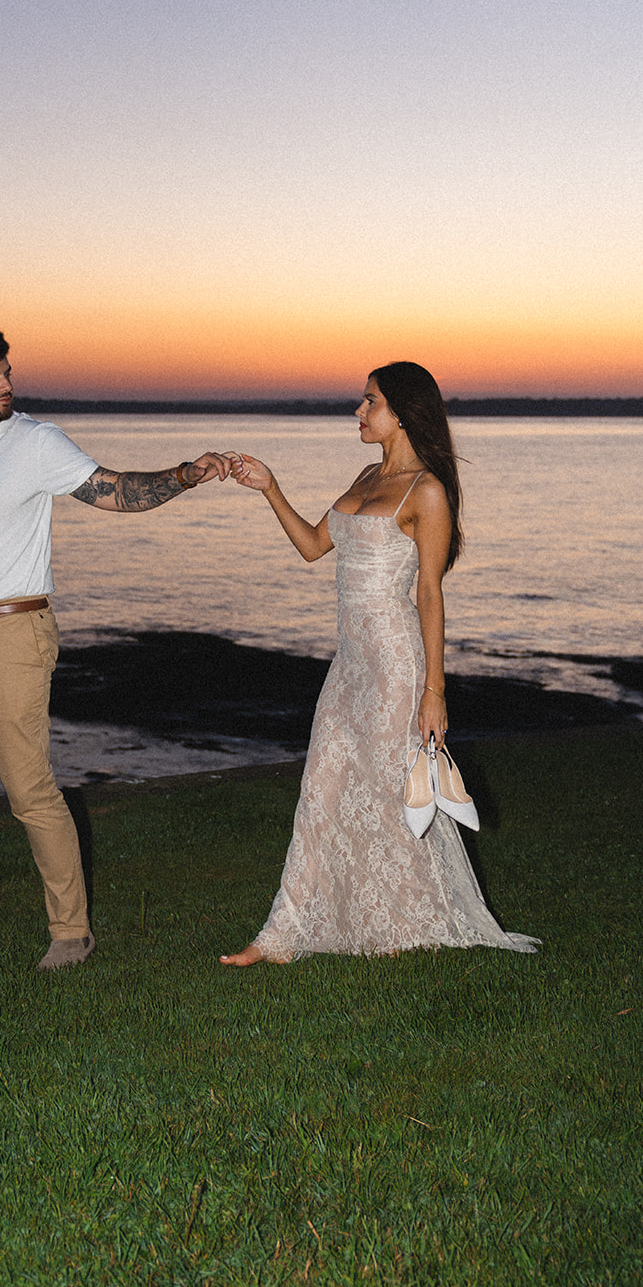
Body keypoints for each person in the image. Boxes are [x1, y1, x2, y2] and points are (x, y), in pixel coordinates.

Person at [0, 325, 231, 970]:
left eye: (7, 373)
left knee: (29, 789)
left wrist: (185, 475)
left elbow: (115, 491)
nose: (7, 385)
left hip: (11, 634)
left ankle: (70, 935)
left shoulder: (34, 442)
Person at [220, 361, 538, 964]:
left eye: (369, 402)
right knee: (325, 783)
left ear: (402, 412)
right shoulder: (367, 475)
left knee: (391, 791)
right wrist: (269, 487)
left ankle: (397, 925)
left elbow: (430, 594)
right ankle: (284, 934)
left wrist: (433, 690)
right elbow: (315, 547)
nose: (358, 412)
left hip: (395, 661)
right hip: (350, 662)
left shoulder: (428, 492)